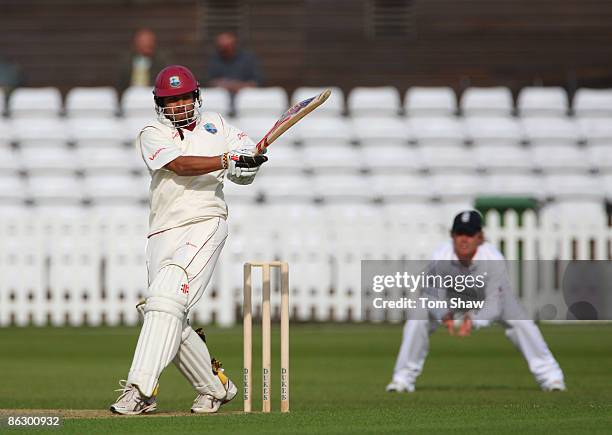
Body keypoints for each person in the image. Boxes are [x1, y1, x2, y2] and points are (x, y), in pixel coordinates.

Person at [110, 65, 267, 415]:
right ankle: (216, 387)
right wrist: (227, 159)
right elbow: (179, 165)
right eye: (171, 100)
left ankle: (140, 389)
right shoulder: (151, 132)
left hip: (206, 220)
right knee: (163, 310)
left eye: (184, 98)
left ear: (196, 97)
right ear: (159, 104)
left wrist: (247, 165)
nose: (179, 106)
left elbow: (244, 171)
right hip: (162, 230)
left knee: (166, 296)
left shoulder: (218, 124)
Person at [386, 210, 566, 393]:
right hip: (451, 299)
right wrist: (444, 315)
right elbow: (432, 293)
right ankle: (402, 379)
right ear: (452, 236)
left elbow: (494, 303)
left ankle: (551, 378)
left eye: (470, 234)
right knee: (418, 316)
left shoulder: (493, 258)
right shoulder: (442, 255)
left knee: (523, 323)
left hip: (488, 301)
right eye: (460, 234)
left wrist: (473, 321)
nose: (464, 239)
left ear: (480, 237)